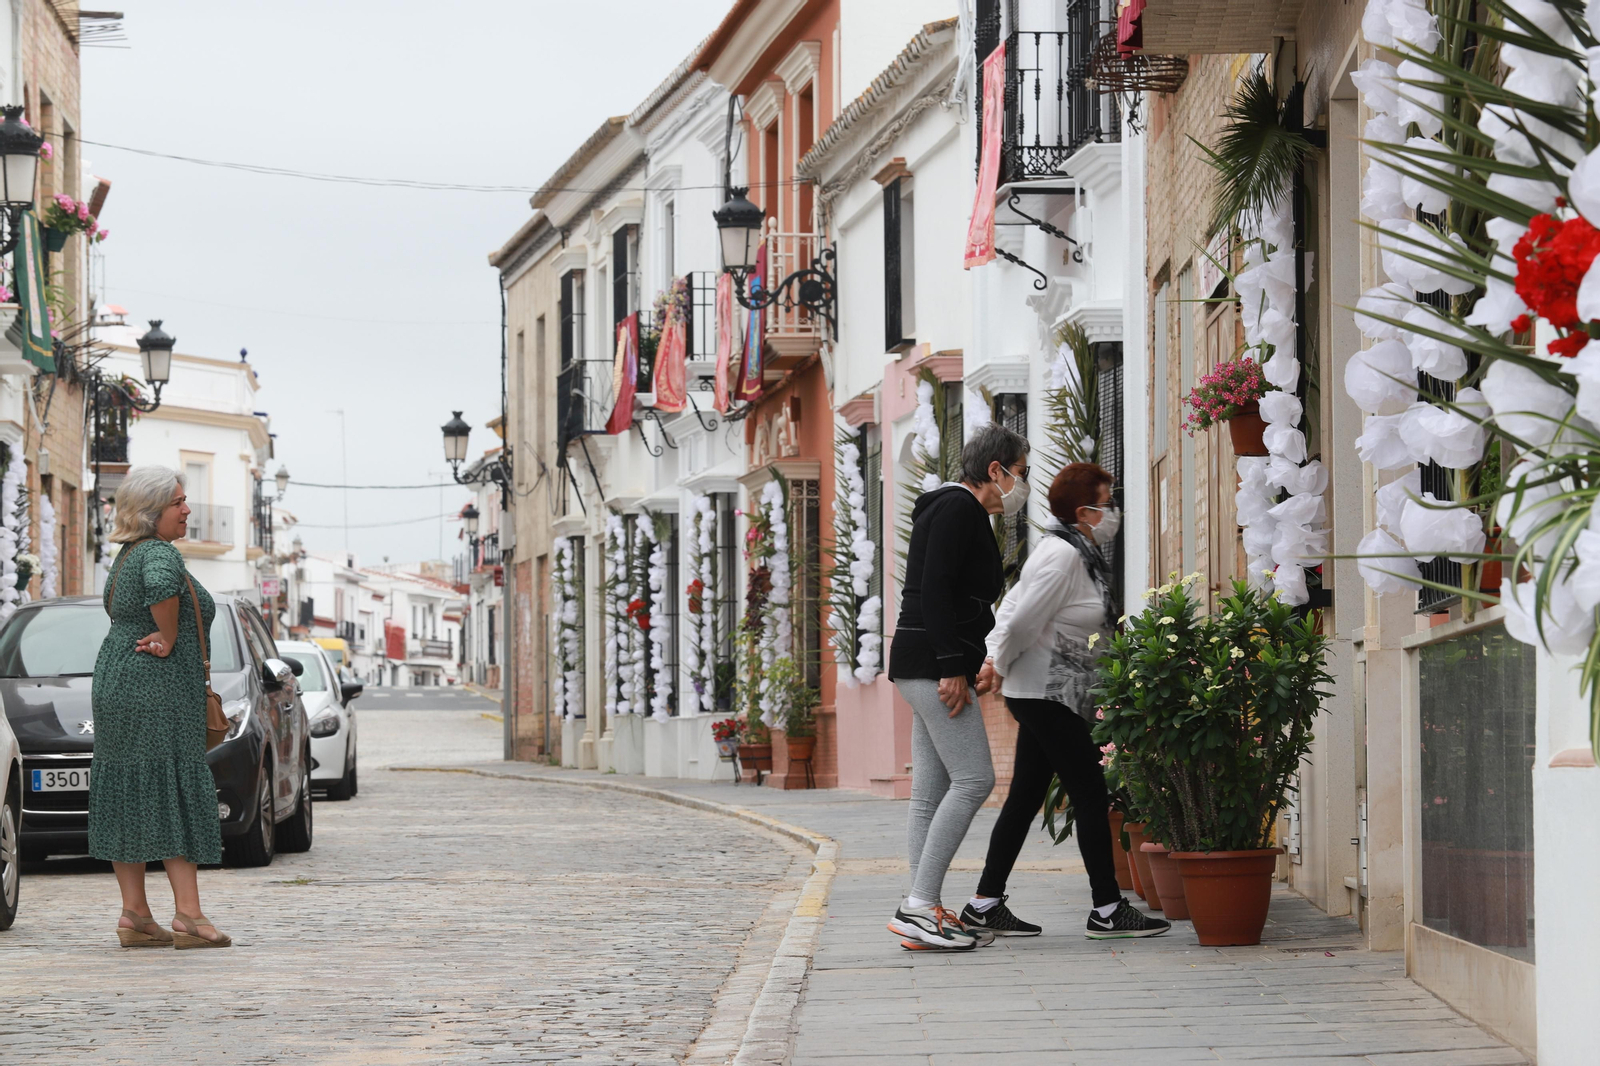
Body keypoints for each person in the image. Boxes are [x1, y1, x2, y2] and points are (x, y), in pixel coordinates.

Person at [959, 462, 1171, 940]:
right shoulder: (1064, 555)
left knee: (1026, 796)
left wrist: (998, 661)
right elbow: (1020, 619)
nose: (1114, 510)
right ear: (1084, 511)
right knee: (1091, 794)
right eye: (1107, 502)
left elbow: (1013, 603)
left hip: (1053, 692)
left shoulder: (1076, 550)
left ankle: (984, 903)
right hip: (1045, 693)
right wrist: (997, 663)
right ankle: (1107, 909)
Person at [886, 424, 1028, 950]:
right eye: (1021, 472)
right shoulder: (955, 509)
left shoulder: (957, 510)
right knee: (974, 779)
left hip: (924, 663)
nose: (1022, 484)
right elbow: (935, 592)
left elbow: (953, 598)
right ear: (996, 470)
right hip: (930, 665)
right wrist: (952, 665)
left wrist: (964, 661)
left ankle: (924, 907)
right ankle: (919, 905)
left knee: (929, 793)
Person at [88, 465, 232, 949]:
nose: (187, 508)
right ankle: (189, 916)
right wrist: (169, 637)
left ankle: (135, 914)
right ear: (152, 512)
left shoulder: (126, 554)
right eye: (177, 501)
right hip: (157, 686)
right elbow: (161, 584)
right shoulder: (157, 553)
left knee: (129, 787)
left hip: (117, 679)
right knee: (169, 786)